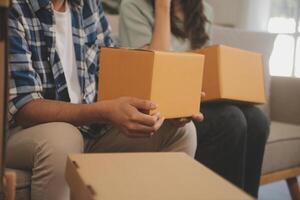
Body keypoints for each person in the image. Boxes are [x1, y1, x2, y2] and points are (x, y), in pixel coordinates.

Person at [7, 0, 204, 199]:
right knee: (63, 138)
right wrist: (102, 111)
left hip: (90, 128)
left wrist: (172, 104)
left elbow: (113, 71)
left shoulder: (88, 5)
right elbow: (25, 107)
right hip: (22, 131)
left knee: (181, 131)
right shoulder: (13, 8)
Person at [119, 0, 270, 197]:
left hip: (195, 99)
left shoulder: (204, 10)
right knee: (231, 119)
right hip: (159, 106)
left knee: (257, 120)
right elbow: (155, 72)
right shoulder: (133, 6)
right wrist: (162, 7)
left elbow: (205, 69)